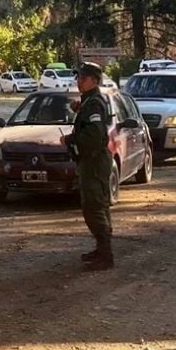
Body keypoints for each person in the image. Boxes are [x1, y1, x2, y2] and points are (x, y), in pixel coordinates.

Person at [61, 62, 115, 271]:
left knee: (93, 207)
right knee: (96, 205)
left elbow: (94, 135)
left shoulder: (94, 103)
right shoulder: (89, 101)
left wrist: (72, 140)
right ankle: (101, 249)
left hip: (94, 160)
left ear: (94, 80)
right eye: (78, 78)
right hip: (91, 160)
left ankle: (106, 254)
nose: (79, 82)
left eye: (83, 78)